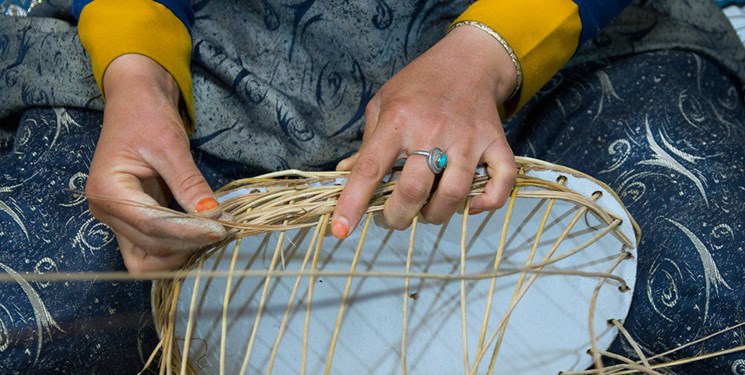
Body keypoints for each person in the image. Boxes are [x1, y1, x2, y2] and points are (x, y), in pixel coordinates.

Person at [0, 0, 743, 372]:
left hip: (572, 35)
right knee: (31, 331)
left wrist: (490, 46)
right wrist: (137, 71)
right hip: (211, 47)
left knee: (713, 310)